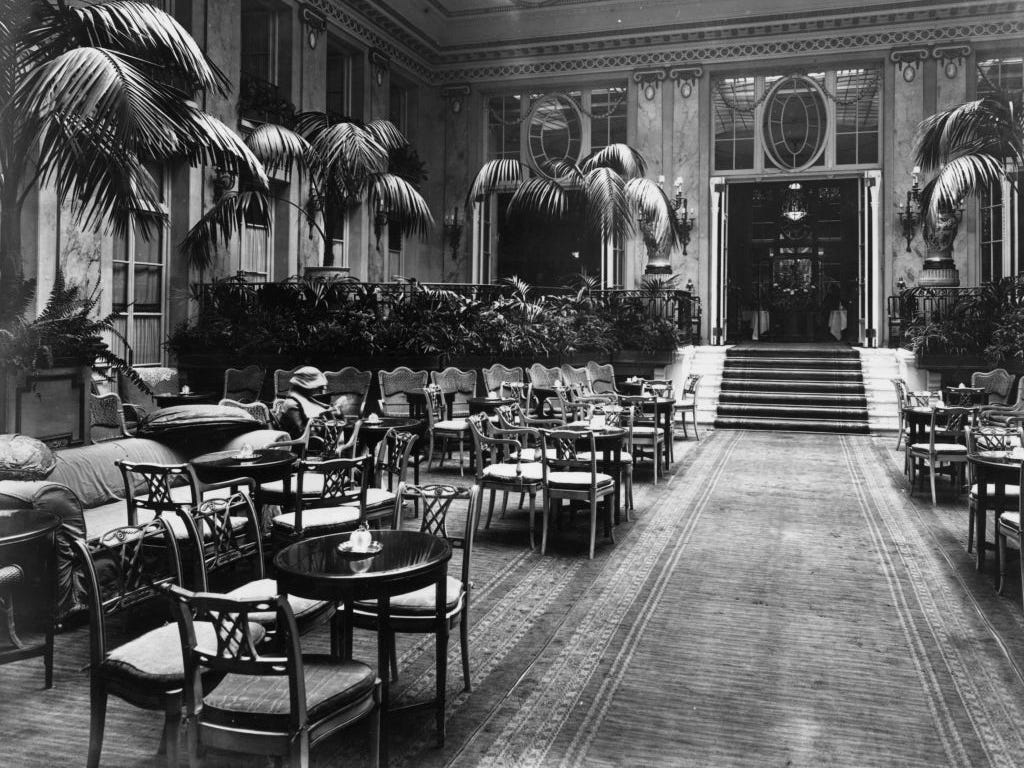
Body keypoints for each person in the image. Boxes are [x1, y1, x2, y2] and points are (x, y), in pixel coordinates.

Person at [274, 366, 329, 439]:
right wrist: (322, 426)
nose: (317, 390)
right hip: (300, 442)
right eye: (315, 387)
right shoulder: (292, 404)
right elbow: (301, 432)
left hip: (314, 437)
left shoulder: (306, 399)